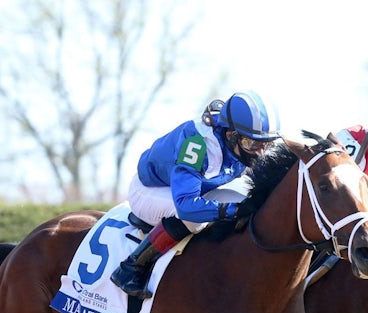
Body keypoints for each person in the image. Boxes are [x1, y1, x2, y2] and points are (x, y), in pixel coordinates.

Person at [110, 90, 281, 299]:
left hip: (189, 190)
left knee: (248, 204)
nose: (260, 153)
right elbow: (186, 205)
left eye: (266, 145)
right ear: (230, 135)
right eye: (252, 144)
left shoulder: (240, 141)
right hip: (149, 191)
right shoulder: (197, 144)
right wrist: (232, 210)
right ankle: (131, 267)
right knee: (195, 220)